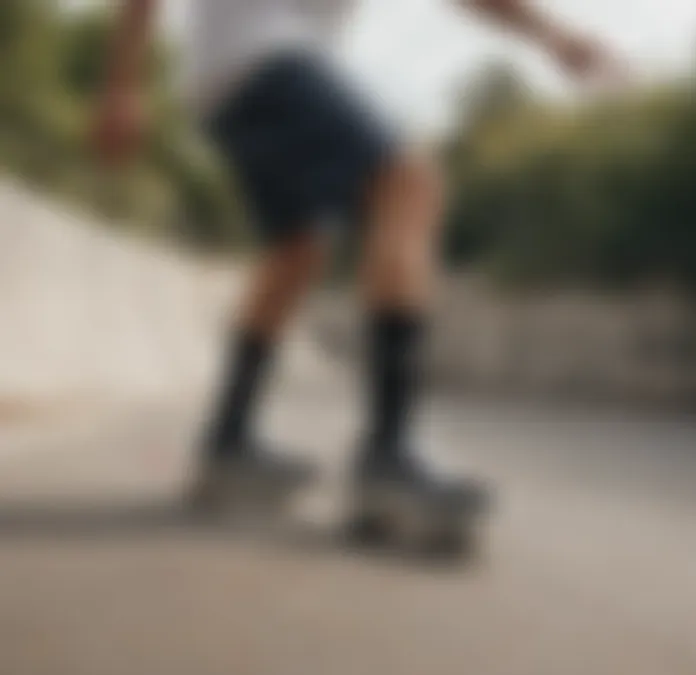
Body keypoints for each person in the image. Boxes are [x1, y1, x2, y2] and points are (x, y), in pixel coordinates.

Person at [95, 0, 621, 520]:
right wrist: (123, 83)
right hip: (263, 58)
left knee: (297, 247)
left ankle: (227, 444)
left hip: (221, 79)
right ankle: (388, 455)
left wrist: (553, 34)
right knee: (409, 183)